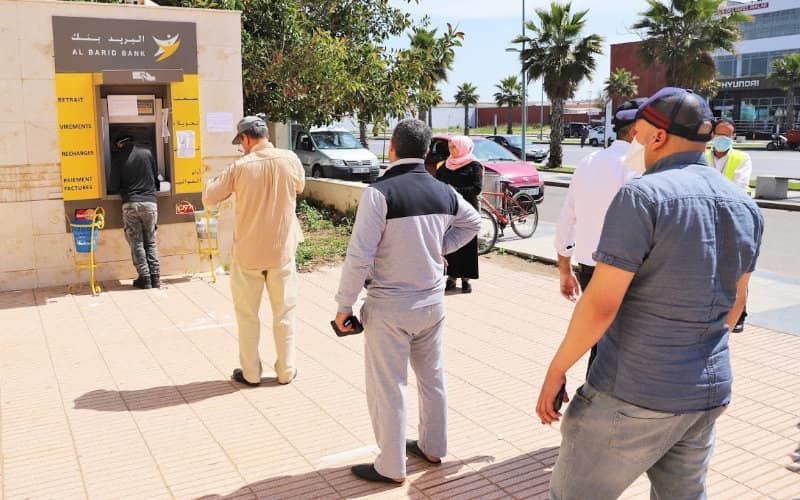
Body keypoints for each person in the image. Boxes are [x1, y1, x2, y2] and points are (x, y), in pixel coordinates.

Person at [537, 88, 764, 499]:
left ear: (658, 137)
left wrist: (556, 371)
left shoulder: (642, 195)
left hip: (632, 392)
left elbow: (601, 305)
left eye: (637, 135)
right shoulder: (744, 205)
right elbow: (737, 302)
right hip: (707, 392)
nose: (633, 144)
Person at [333, 119, 481, 484]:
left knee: (389, 386)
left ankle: (390, 466)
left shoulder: (379, 193)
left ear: (392, 149)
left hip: (390, 307)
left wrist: (344, 306)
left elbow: (359, 256)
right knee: (433, 378)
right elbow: (473, 223)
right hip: (432, 304)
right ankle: (433, 447)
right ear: (428, 151)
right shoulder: (444, 191)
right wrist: (440, 247)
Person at [203, 116, 305, 387]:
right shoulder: (290, 159)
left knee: (247, 316)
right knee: (284, 313)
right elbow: (300, 186)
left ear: (246, 138)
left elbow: (209, 197)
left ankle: (250, 373)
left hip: (248, 253)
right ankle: (286, 370)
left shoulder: (240, 167)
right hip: (282, 251)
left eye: (241, 143)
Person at [553, 98, 645, 373]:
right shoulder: (639, 167)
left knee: (599, 336)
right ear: (637, 131)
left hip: (589, 267)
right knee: (623, 344)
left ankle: (592, 389)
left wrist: (564, 270)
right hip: (625, 271)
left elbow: (567, 218)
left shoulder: (589, 162)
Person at [707, 118, 754, 332]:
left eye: (727, 135)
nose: (723, 139)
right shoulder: (702, 156)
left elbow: (739, 187)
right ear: (712, 135)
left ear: (733, 137)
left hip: (734, 218)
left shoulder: (741, 158)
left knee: (737, 269)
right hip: (707, 218)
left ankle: (739, 315)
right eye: (720, 134)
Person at [111, 135, 161, 289]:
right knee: (151, 241)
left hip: (131, 203)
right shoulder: (148, 153)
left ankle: (145, 278)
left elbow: (112, 186)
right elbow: (156, 179)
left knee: (137, 242)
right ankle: (155, 277)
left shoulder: (118, 158)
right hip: (150, 203)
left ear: (120, 144)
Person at [435, 136, 482, 293]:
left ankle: (466, 279)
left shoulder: (474, 165)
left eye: (454, 146)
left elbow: (476, 188)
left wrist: (454, 191)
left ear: (463, 146)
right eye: (450, 147)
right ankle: (452, 277)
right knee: (450, 243)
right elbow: (437, 183)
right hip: (449, 210)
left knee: (467, 245)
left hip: (467, 210)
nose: (451, 150)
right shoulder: (445, 165)